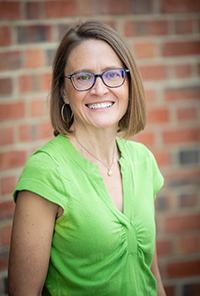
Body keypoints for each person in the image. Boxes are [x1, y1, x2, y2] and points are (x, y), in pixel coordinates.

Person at [8, 20, 166, 296]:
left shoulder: (143, 161)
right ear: (63, 93)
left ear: (128, 83)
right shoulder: (47, 170)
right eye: (83, 78)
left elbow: (150, 272)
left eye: (112, 74)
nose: (100, 89)